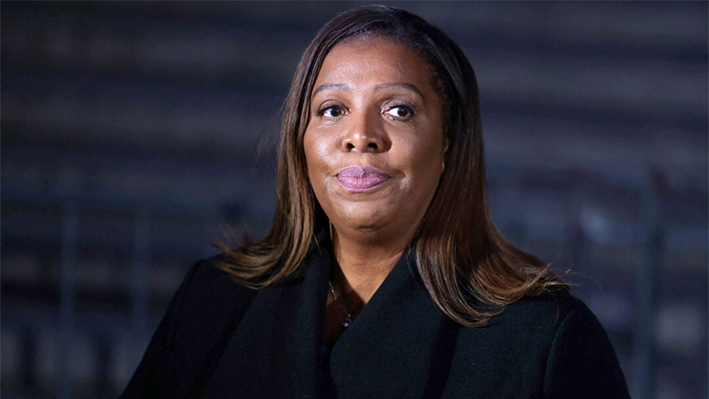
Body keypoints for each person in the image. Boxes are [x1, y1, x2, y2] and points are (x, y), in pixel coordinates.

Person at [121, 5, 630, 398]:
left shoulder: (543, 340)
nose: (360, 136)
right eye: (332, 109)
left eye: (399, 110)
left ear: (449, 141)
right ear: (300, 137)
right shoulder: (214, 300)